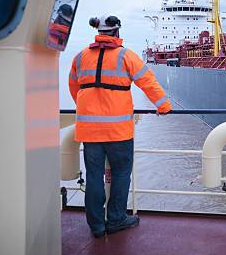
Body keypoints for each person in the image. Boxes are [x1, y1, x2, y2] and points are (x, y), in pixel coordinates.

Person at [69, 14, 172, 238]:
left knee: (94, 176)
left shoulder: (79, 57)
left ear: (99, 32)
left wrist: (88, 109)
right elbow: (148, 82)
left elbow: (74, 88)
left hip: (89, 131)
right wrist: (163, 105)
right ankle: (116, 219)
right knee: (122, 173)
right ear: (116, 32)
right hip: (119, 132)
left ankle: (96, 226)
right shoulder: (126, 56)